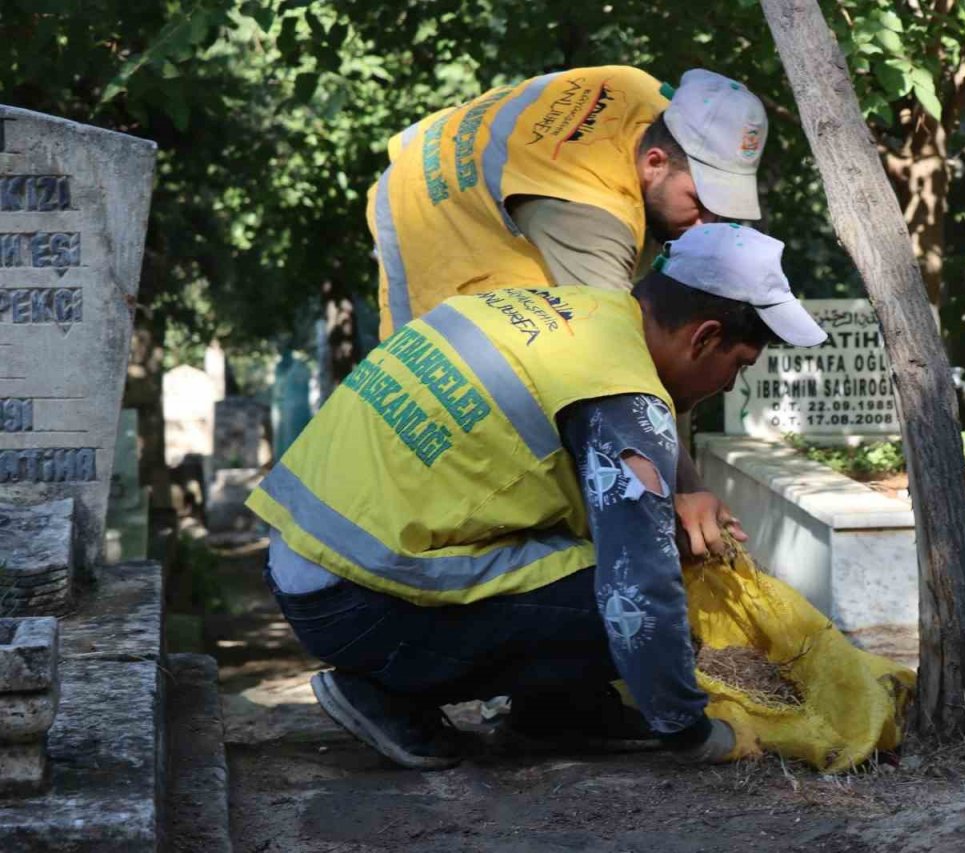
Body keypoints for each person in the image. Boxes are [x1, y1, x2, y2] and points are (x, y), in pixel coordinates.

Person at [248, 224, 827, 770]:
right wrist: (691, 731)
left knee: (609, 552)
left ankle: (559, 713)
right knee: (645, 595)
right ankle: (386, 691)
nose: (730, 385)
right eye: (739, 366)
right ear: (705, 338)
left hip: (304, 558)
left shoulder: (573, 313)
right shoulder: (624, 395)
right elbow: (640, 589)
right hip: (356, 601)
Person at [369, 65, 771, 556]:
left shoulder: (649, 97)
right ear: (655, 163)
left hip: (483, 163)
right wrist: (684, 490)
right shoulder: (588, 212)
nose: (708, 223)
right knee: (470, 387)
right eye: (700, 202)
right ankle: (421, 556)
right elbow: (620, 368)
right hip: (429, 204)